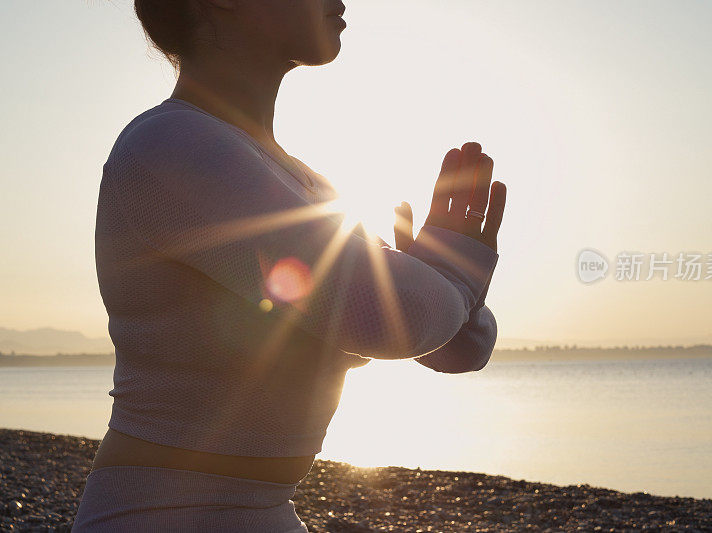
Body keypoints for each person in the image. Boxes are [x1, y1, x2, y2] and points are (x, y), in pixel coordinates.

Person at [72, 0, 507, 531]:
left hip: (269, 511)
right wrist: (447, 281)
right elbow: (403, 319)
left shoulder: (302, 184)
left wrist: (441, 281)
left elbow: (457, 347)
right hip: (156, 512)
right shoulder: (170, 145)